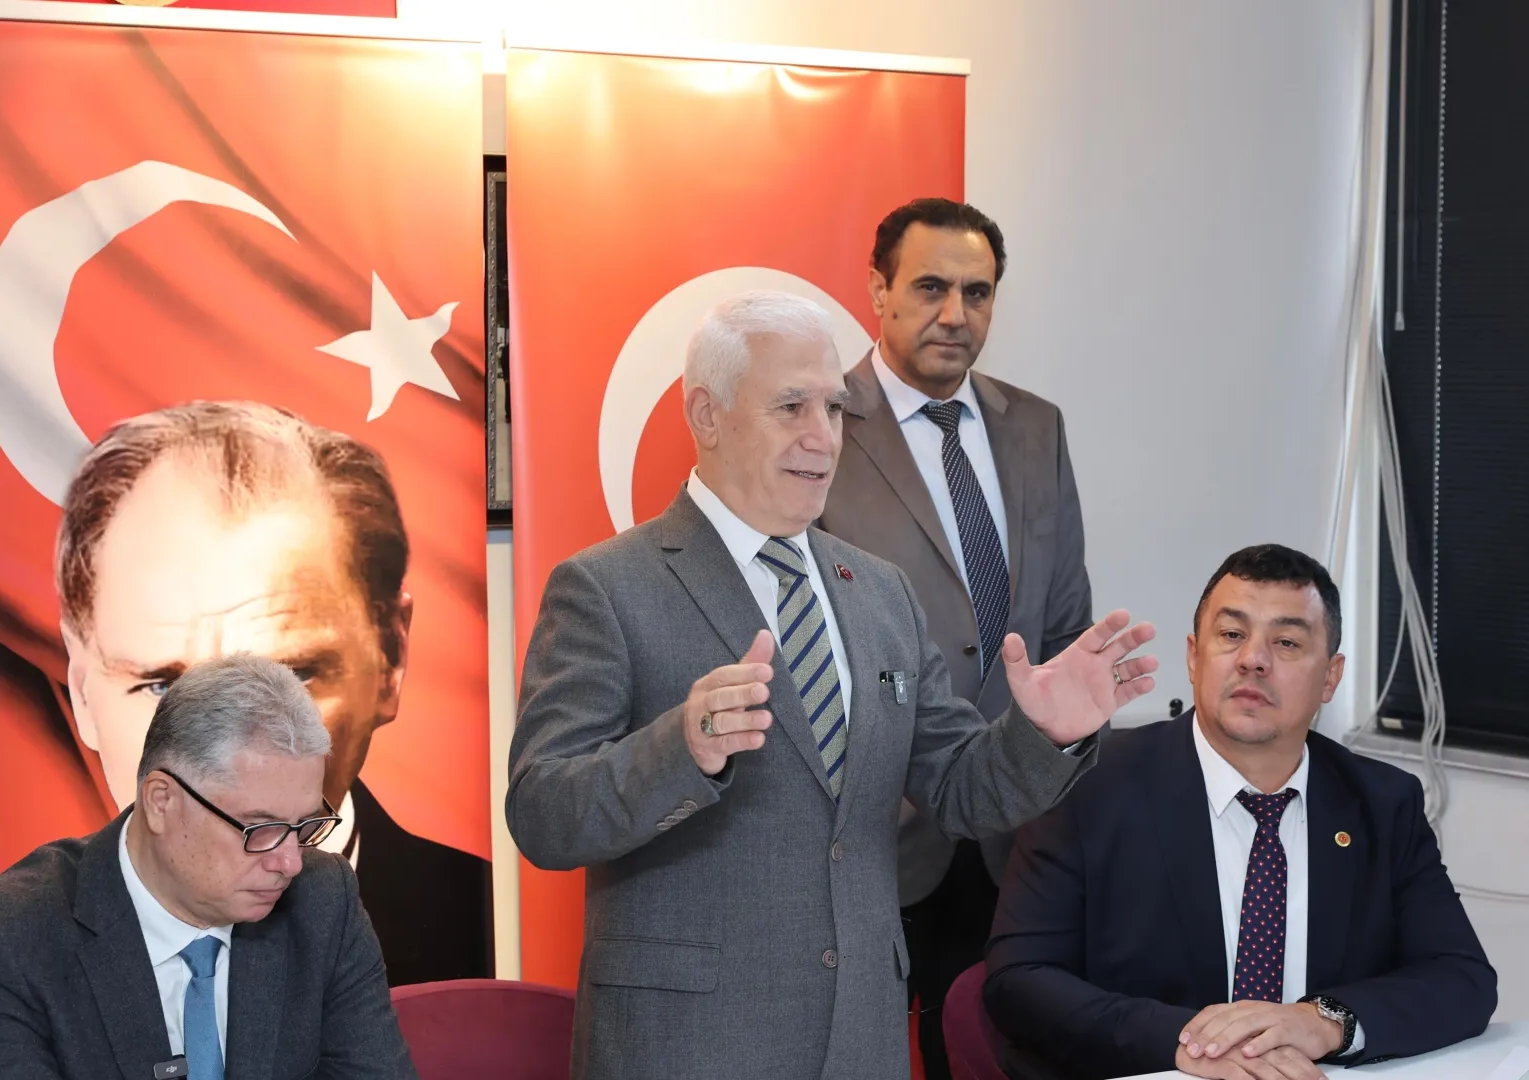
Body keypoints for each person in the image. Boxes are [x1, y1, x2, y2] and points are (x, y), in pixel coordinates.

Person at [507, 290, 1158, 1080]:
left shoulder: (879, 592)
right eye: (791, 406)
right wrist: (681, 747)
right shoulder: (607, 587)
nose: (823, 437)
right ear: (706, 415)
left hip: (860, 1039)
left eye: (835, 408)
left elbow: (959, 790)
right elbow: (542, 814)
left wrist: (1045, 733)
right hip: (686, 1046)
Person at [983, 545, 1496, 1080]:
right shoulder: (1087, 787)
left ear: (1330, 677)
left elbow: (1462, 977)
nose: (1254, 659)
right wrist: (1189, 1044)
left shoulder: (1384, 804)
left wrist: (1324, 1021)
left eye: (1287, 642)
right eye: (1231, 635)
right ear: (1193, 656)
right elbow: (1018, 980)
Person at [55, 400, 488, 985]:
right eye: (162, 685)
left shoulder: (464, 936)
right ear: (82, 691)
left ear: (389, 656)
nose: (233, 758)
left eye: (291, 675)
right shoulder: (8, 952)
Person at [820, 196, 1092, 1078]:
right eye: (929, 287)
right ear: (877, 291)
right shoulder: (816, 426)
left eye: (977, 293)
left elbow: (1061, 625)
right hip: (871, 831)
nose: (954, 314)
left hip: (1016, 833)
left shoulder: (1036, 426)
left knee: (993, 1058)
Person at [0, 654, 418, 1080]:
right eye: (259, 828)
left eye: (303, 825)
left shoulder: (323, 899)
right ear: (161, 801)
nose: (290, 862)